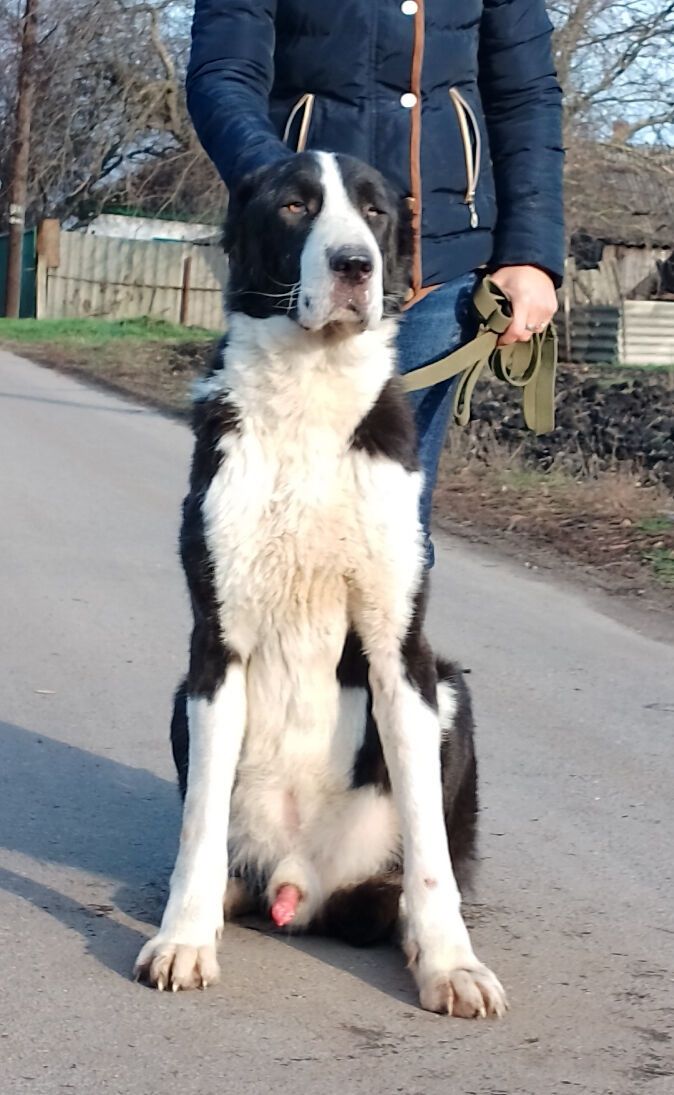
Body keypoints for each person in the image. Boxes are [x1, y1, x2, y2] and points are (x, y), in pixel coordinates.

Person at [186, 0, 563, 562]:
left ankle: (379, 654)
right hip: (295, 279)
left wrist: (530, 254)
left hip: (435, 274)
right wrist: (282, 183)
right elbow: (224, 74)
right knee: (267, 537)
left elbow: (526, 96)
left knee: (388, 542)